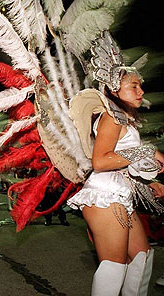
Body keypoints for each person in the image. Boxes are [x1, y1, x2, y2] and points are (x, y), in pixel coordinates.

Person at [67, 31, 164, 296]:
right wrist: (146, 149)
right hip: (104, 197)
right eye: (133, 86)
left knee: (142, 257)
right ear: (113, 89)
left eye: (140, 85)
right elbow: (100, 161)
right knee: (114, 265)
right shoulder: (112, 119)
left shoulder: (125, 119)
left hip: (120, 196)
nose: (140, 90)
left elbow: (122, 161)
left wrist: (150, 182)